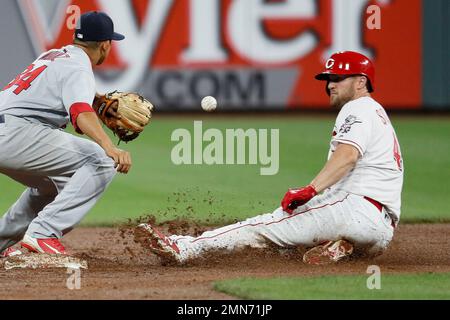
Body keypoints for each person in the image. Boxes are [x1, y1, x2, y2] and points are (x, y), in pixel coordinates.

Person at [135, 51, 404, 265]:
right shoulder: (377, 114)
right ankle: (342, 246)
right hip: (382, 230)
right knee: (290, 241)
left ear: (361, 82)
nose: (331, 84)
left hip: (352, 210)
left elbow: (348, 156)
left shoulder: (357, 108)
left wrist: (310, 190)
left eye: (338, 79)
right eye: (328, 79)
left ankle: (183, 248)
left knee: (264, 227)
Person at [0, 11, 131, 257]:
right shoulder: (79, 67)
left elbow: (65, 93)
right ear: (105, 45)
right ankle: (43, 233)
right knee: (101, 160)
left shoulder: (54, 55)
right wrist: (109, 147)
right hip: (15, 133)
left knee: (51, 184)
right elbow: (80, 112)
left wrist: (97, 101)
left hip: (10, 131)